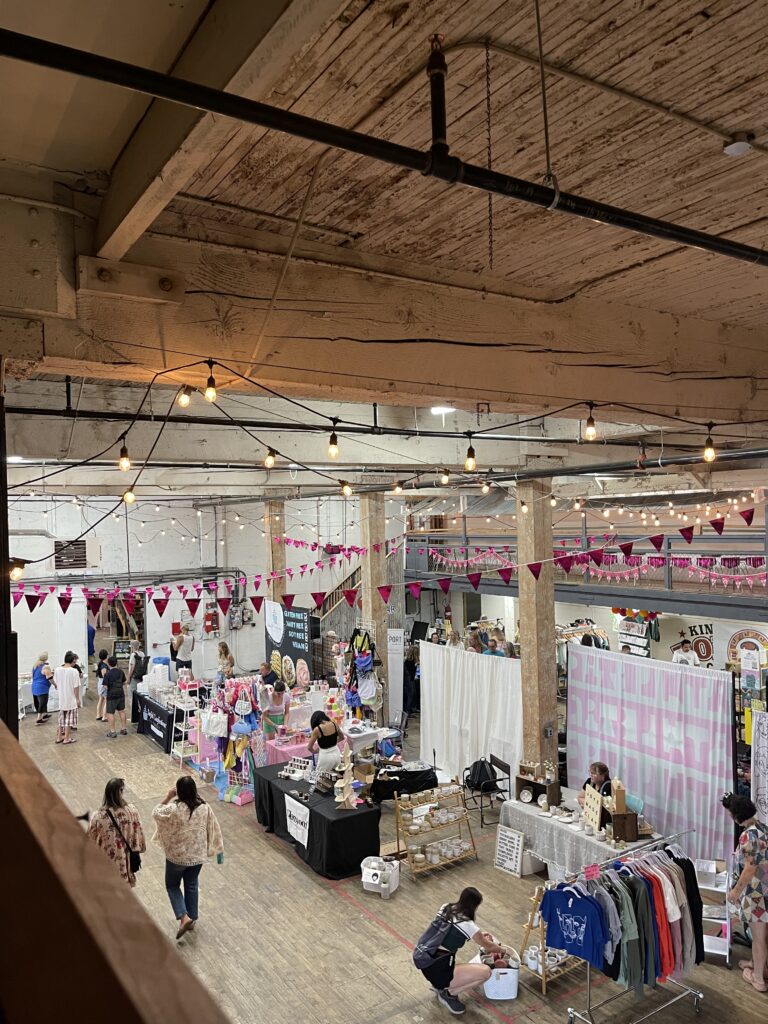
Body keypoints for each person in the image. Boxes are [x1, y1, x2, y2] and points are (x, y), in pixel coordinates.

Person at [413, 886, 505, 1015]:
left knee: (450, 966)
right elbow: (489, 947)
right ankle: (447, 993)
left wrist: (478, 935)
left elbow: (449, 932)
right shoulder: (469, 925)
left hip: (426, 960)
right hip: (439, 971)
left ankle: (440, 986)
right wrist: (502, 950)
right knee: (486, 972)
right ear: (475, 906)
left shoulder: (445, 907)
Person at [153, 776, 224, 940]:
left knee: (172, 885)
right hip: (197, 856)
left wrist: (168, 796)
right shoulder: (204, 807)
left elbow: (155, 813)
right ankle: (192, 919)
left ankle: (184, 917)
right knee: (191, 884)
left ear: (179, 791)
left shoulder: (173, 809)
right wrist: (218, 850)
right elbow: (214, 827)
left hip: (176, 857)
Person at [722, 793, 768, 991]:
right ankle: (758, 964)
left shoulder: (748, 836)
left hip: (756, 893)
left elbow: (749, 868)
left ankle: (758, 979)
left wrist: (734, 891)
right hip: (764, 888)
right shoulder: (762, 828)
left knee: (759, 936)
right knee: (762, 934)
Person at [87, 777, 146, 887]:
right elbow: (139, 834)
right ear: (121, 791)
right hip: (126, 863)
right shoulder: (132, 811)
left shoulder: (98, 817)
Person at [54, 651, 81, 745]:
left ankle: (58, 737)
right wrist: (77, 699)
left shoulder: (57, 670)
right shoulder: (74, 671)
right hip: (71, 699)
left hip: (62, 698)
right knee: (69, 720)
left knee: (61, 719)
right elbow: (76, 687)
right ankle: (66, 738)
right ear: (73, 661)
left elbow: (56, 684)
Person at [103, 655, 128, 738]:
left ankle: (113, 731)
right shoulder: (121, 672)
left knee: (110, 713)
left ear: (109, 664)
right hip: (121, 694)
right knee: (121, 711)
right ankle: (124, 729)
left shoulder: (108, 674)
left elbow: (105, 686)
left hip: (111, 696)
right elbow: (124, 682)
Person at [31, 652, 54, 725]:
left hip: (35, 686)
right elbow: (49, 677)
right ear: (46, 658)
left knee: (39, 702)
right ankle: (38, 719)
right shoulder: (45, 667)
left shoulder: (35, 666)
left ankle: (44, 715)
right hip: (42, 687)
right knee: (43, 702)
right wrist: (55, 684)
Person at [403, 645, 418, 717]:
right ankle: (407, 712)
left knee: (410, 695)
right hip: (409, 679)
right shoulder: (411, 661)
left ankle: (408, 710)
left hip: (408, 679)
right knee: (410, 695)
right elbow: (411, 671)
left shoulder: (407, 660)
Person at [95, 647, 109, 722]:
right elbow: (105, 675)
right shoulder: (103, 665)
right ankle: (104, 716)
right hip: (103, 683)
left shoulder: (100, 663)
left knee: (101, 699)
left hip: (100, 683)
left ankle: (98, 715)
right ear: (106, 656)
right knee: (106, 700)